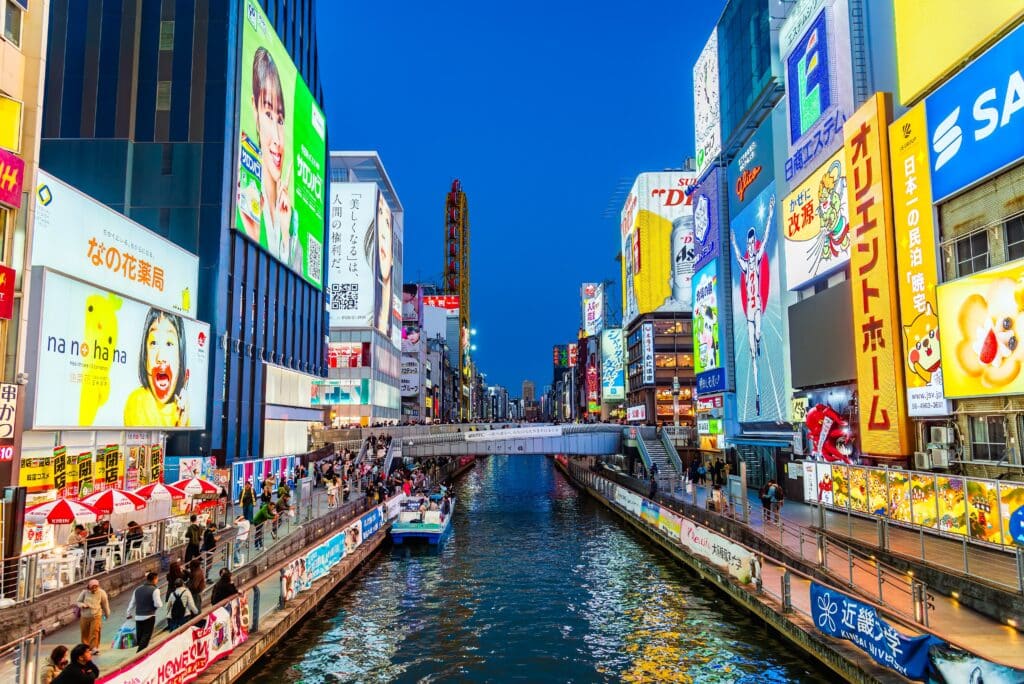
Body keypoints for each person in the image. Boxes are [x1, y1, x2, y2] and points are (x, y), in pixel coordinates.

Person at [237, 46, 296, 268]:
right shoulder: (245, 190)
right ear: (254, 108)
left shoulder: (292, 217)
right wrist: (252, 234)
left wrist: (285, 230)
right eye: (268, 114)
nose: (278, 140)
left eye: (280, 119)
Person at [730, 194, 775, 416]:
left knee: (757, 336)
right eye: (748, 244)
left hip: (756, 307)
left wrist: (770, 214)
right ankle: (757, 394)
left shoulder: (756, 260)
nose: (750, 246)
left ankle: (758, 341)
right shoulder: (746, 263)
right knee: (750, 350)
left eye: (751, 243)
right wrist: (731, 241)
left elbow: (766, 237)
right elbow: (737, 254)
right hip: (748, 311)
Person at [123, 308, 189, 427]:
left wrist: (182, 423)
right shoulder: (137, 402)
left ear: (180, 356)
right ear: (145, 354)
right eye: (154, 343)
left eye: (169, 344)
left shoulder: (182, 409)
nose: (161, 357)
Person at [126, 572, 163, 652]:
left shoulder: (137, 589)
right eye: (157, 579)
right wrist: (155, 606)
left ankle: (141, 652)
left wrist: (128, 613)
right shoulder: (155, 590)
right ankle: (139, 655)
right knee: (146, 637)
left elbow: (132, 602)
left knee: (140, 638)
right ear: (154, 579)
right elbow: (158, 604)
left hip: (138, 616)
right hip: (149, 616)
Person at [75, 579, 110, 653]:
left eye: (96, 587)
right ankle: (85, 648)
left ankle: (94, 647)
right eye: (92, 587)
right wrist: (82, 605)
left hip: (96, 615)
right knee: (84, 632)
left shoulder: (101, 593)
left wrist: (107, 614)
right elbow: (78, 602)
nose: (94, 589)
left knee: (95, 631)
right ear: (89, 586)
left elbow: (105, 604)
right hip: (84, 616)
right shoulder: (84, 592)